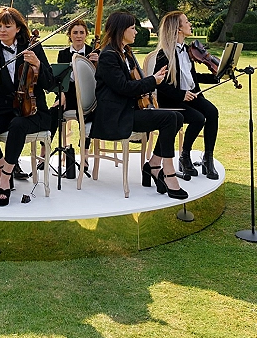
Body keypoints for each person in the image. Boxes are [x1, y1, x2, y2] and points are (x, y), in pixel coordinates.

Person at [91, 11, 187, 200]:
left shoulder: (126, 52)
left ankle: (153, 164)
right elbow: (124, 88)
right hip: (116, 116)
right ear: (121, 30)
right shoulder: (108, 55)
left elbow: (135, 81)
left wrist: (153, 77)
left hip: (129, 110)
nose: (136, 32)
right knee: (169, 118)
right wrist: (153, 81)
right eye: (133, 28)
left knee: (177, 117)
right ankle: (166, 172)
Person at [0, 6, 54, 207]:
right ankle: (7, 169)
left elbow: (50, 84)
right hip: (3, 108)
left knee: (18, 125)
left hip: (33, 110)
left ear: (18, 28)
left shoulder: (33, 47)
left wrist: (38, 64)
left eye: (7, 26)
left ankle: (3, 180)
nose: (2, 30)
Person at [154, 11, 220, 180]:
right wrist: (181, 95)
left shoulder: (188, 51)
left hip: (190, 96)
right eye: (187, 22)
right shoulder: (164, 54)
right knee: (198, 118)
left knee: (212, 112)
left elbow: (191, 77)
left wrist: (215, 77)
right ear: (178, 29)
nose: (190, 24)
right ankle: (185, 156)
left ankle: (208, 158)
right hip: (173, 100)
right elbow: (159, 84)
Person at [40, 19, 96, 166]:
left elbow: (97, 80)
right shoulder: (63, 54)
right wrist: (61, 96)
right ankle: (44, 150)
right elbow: (60, 78)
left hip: (86, 94)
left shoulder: (93, 52)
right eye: (75, 33)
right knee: (52, 112)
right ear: (69, 35)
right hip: (66, 92)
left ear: (86, 34)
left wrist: (98, 62)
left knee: (87, 114)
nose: (78, 36)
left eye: (82, 32)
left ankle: (84, 154)